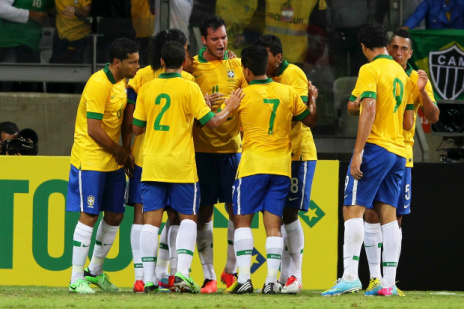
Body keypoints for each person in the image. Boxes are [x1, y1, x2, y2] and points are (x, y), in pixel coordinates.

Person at [132, 40, 244, 293]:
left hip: (152, 163)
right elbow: (212, 122)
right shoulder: (190, 87)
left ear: (161, 62)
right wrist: (229, 107)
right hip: (181, 165)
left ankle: (148, 278)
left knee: (151, 221)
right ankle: (182, 274)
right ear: (183, 62)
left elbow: (136, 127)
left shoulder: (147, 88)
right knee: (188, 219)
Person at [321, 22, 416, 297]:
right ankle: (388, 283)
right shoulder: (401, 72)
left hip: (375, 147)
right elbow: (409, 121)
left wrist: (359, 151)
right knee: (388, 214)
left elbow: (369, 109)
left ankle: (350, 275)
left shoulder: (369, 69)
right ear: (386, 44)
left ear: (363, 47)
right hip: (399, 152)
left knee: (352, 208)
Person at [223, 45, 316, 294]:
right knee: (274, 225)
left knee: (242, 222)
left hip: (252, 166)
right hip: (281, 168)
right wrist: (313, 99)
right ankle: (272, 282)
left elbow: (219, 125)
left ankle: (243, 278)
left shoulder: (241, 95)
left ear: (246, 70)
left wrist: (227, 109)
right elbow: (309, 120)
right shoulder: (287, 92)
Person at [361, 29, 440, 296]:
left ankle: (389, 280)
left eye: (403, 49)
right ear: (387, 47)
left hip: (403, 155)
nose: (398, 52)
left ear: (410, 52)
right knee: (371, 213)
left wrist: (423, 93)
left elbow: (434, 115)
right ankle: (375, 278)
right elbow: (356, 105)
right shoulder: (378, 71)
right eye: (393, 47)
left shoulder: (415, 78)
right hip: (380, 148)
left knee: (394, 217)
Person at [123, 28, 195, 293]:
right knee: (177, 216)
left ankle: (143, 276)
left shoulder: (142, 77)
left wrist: (127, 150)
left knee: (143, 216)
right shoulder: (187, 78)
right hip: (176, 158)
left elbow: (131, 121)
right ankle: (169, 272)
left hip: (146, 155)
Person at [66, 38, 139, 294]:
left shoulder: (123, 82)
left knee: (116, 215)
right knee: (89, 215)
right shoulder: (98, 84)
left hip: (112, 160)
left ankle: (94, 272)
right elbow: (94, 130)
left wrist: (124, 153)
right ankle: (76, 278)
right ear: (117, 62)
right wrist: (121, 152)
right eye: (133, 62)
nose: (137, 66)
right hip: (91, 158)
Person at [255, 34, 317, 294]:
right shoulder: (262, 77)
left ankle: (296, 277)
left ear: (277, 57)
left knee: (289, 214)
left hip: (297, 154)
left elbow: (301, 115)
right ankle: (280, 277)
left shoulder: (294, 75)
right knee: (272, 217)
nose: (261, 61)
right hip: (273, 156)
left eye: (265, 56)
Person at [191, 15, 248, 293]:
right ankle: (209, 274)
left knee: (237, 212)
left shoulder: (236, 65)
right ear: (204, 40)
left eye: (224, 37)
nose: (221, 43)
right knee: (203, 212)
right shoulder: (192, 67)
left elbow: (249, 103)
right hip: (201, 151)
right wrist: (200, 100)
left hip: (231, 150)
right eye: (215, 39)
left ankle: (230, 269)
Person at [0, 0, 54, 92]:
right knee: (9, 88)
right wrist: (30, 14)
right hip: (10, 45)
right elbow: (1, 9)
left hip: (32, 47)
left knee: (28, 88)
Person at [50, 0, 91, 64]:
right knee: (57, 69)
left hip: (80, 39)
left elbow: (88, 13)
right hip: (61, 40)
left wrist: (75, 10)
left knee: (78, 70)